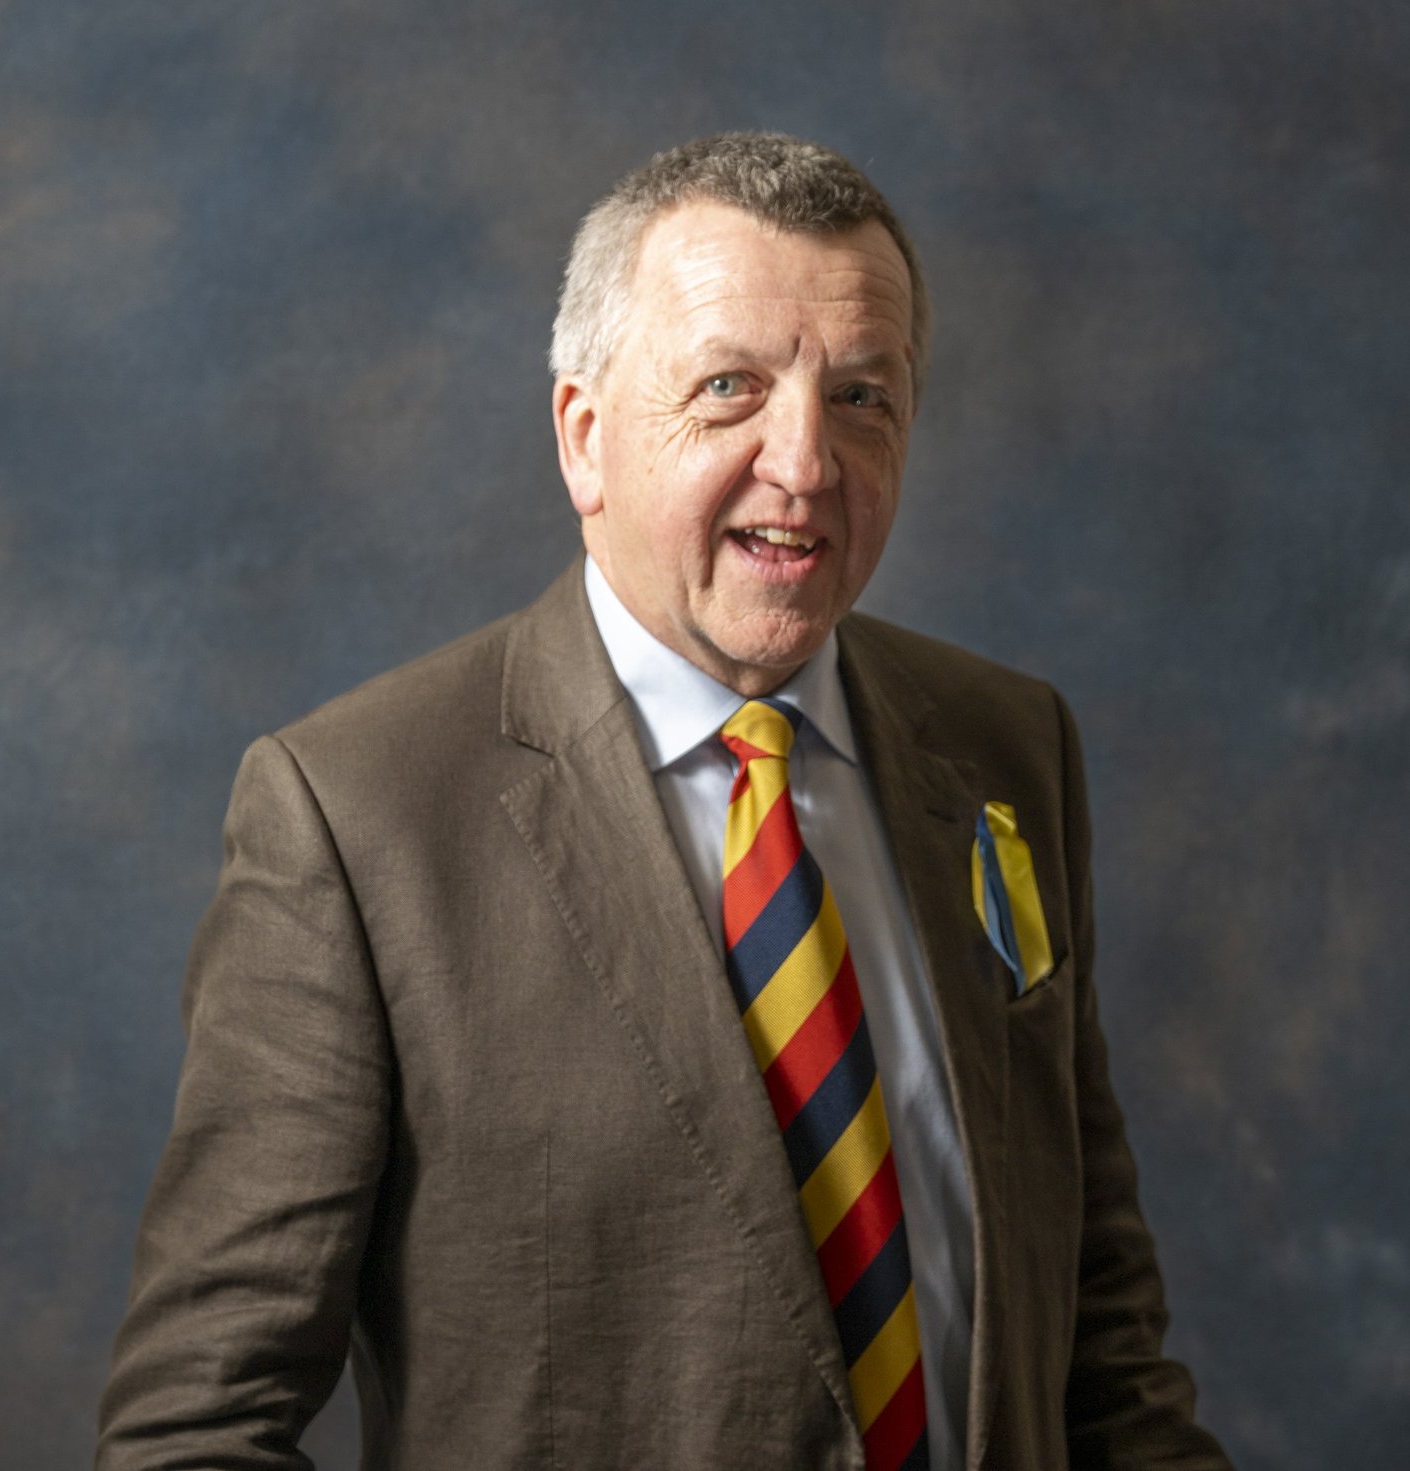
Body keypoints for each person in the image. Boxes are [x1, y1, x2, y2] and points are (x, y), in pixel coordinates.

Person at [96, 133, 1231, 1470]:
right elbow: (196, 1429)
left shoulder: (1007, 750)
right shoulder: (357, 816)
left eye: (861, 396)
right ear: (585, 438)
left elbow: (1102, 1349)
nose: (805, 463)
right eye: (729, 388)